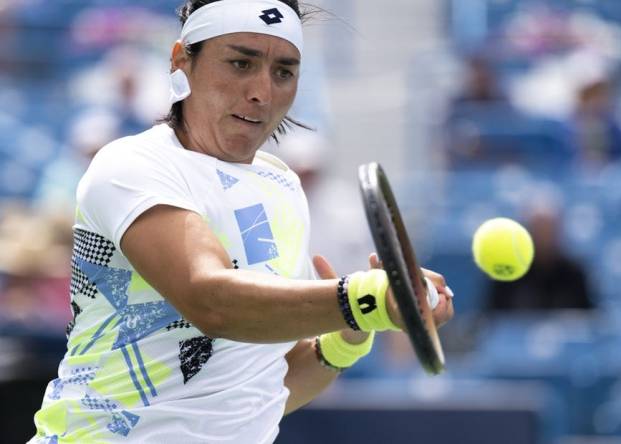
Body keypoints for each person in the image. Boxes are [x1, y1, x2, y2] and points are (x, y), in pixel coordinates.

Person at [29, 1, 454, 442]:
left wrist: (350, 333)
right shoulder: (131, 165)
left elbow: (261, 393)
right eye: (240, 63)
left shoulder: (282, 186)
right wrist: (363, 298)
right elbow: (211, 298)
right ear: (181, 60)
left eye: (283, 72)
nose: (262, 92)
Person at [486, 205, 594, 312]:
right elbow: (492, 319)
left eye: (549, 229)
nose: (544, 236)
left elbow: (590, 320)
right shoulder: (508, 274)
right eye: (539, 229)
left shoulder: (575, 274)